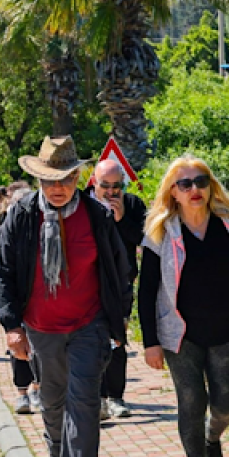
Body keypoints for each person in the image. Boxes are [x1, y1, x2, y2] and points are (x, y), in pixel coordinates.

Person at [0, 136, 131, 457]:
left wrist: (120, 318)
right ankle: (56, 456)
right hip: (41, 327)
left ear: (77, 179)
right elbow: (4, 272)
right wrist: (12, 326)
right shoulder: (21, 216)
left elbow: (119, 270)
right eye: (50, 180)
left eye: (66, 179)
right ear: (39, 180)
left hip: (89, 323)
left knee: (84, 399)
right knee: (53, 400)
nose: (58, 188)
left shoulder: (97, 216)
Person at [139, 155, 229, 457]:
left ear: (211, 186)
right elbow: (147, 292)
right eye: (185, 184)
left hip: (227, 329)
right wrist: (150, 342)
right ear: (173, 191)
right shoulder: (160, 232)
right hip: (180, 334)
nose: (194, 189)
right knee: (191, 401)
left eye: (201, 182)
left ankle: (213, 437)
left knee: (227, 401)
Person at [85, 159, 147, 421]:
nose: (111, 192)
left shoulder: (133, 205)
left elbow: (145, 239)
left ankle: (116, 396)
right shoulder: (82, 205)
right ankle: (96, 398)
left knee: (117, 338)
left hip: (121, 282)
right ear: (93, 182)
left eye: (116, 186)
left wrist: (121, 219)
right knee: (90, 339)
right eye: (105, 186)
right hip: (88, 282)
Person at [0, 188, 42, 414]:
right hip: (12, 299)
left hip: (36, 300)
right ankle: (22, 393)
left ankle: (37, 387)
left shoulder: (40, 229)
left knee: (38, 347)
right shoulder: (1, 233)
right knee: (17, 346)